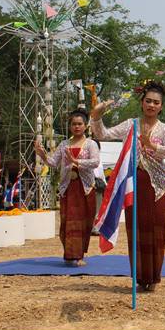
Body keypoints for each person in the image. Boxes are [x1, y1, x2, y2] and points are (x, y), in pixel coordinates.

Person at [91, 80, 165, 292]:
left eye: (156, 102)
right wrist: (96, 116)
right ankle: (139, 277)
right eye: (148, 101)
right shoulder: (132, 124)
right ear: (142, 102)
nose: (151, 105)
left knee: (156, 229)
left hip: (156, 185)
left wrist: (153, 146)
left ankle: (154, 276)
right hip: (132, 184)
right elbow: (103, 134)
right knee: (136, 229)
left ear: (161, 106)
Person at [35, 108, 100, 267]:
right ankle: (69, 254)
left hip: (85, 188)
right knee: (68, 222)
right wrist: (42, 155)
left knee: (84, 222)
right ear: (70, 126)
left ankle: (79, 255)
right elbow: (52, 163)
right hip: (68, 189)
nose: (76, 126)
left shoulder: (91, 144)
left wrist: (77, 162)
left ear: (86, 126)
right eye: (73, 124)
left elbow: (95, 162)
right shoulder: (64, 145)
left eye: (79, 124)